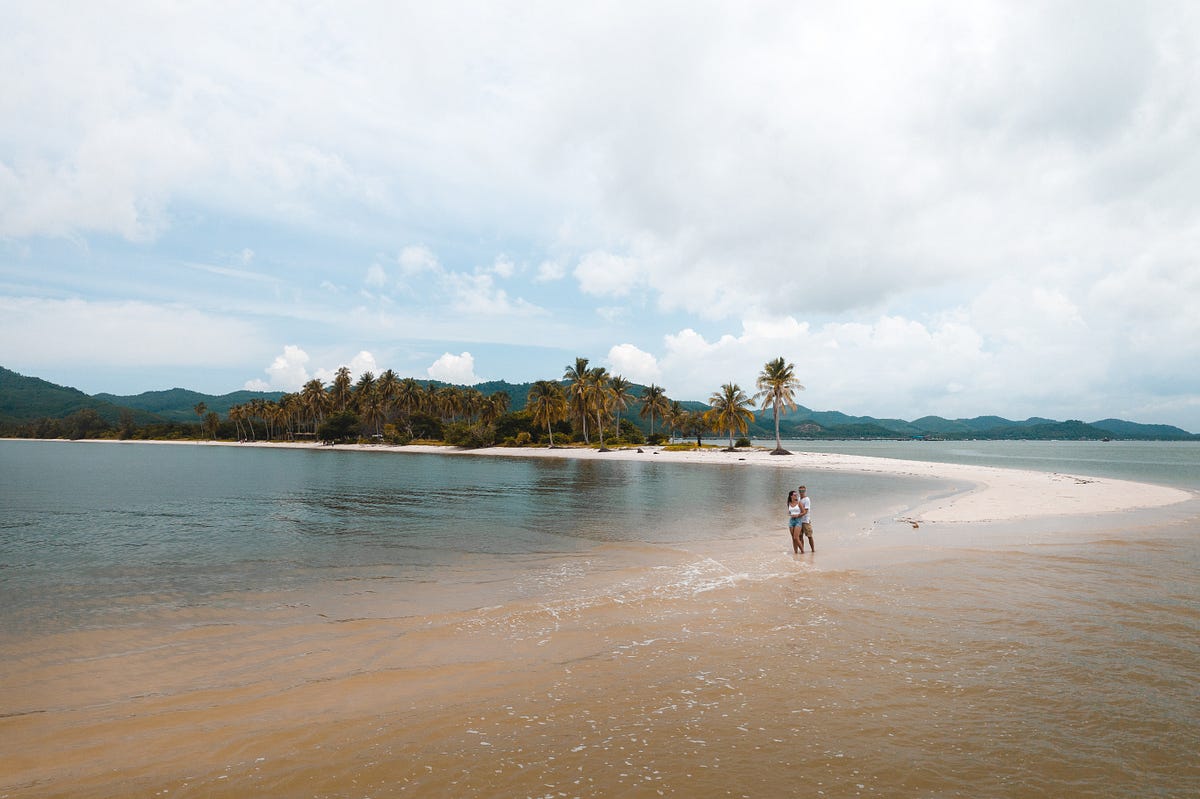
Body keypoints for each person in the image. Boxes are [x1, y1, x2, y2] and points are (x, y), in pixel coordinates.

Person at [796, 485, 814, 553]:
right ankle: (802, 550)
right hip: (799, 521)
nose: (801, 492)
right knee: (800, 537)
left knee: (809, 536)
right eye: (800, 491)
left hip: (806, 520)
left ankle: (813, 550)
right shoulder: (798, 498)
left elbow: (806, 511)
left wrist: (798, 515)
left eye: (803, 491)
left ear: (805, 491)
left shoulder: (807, 499)